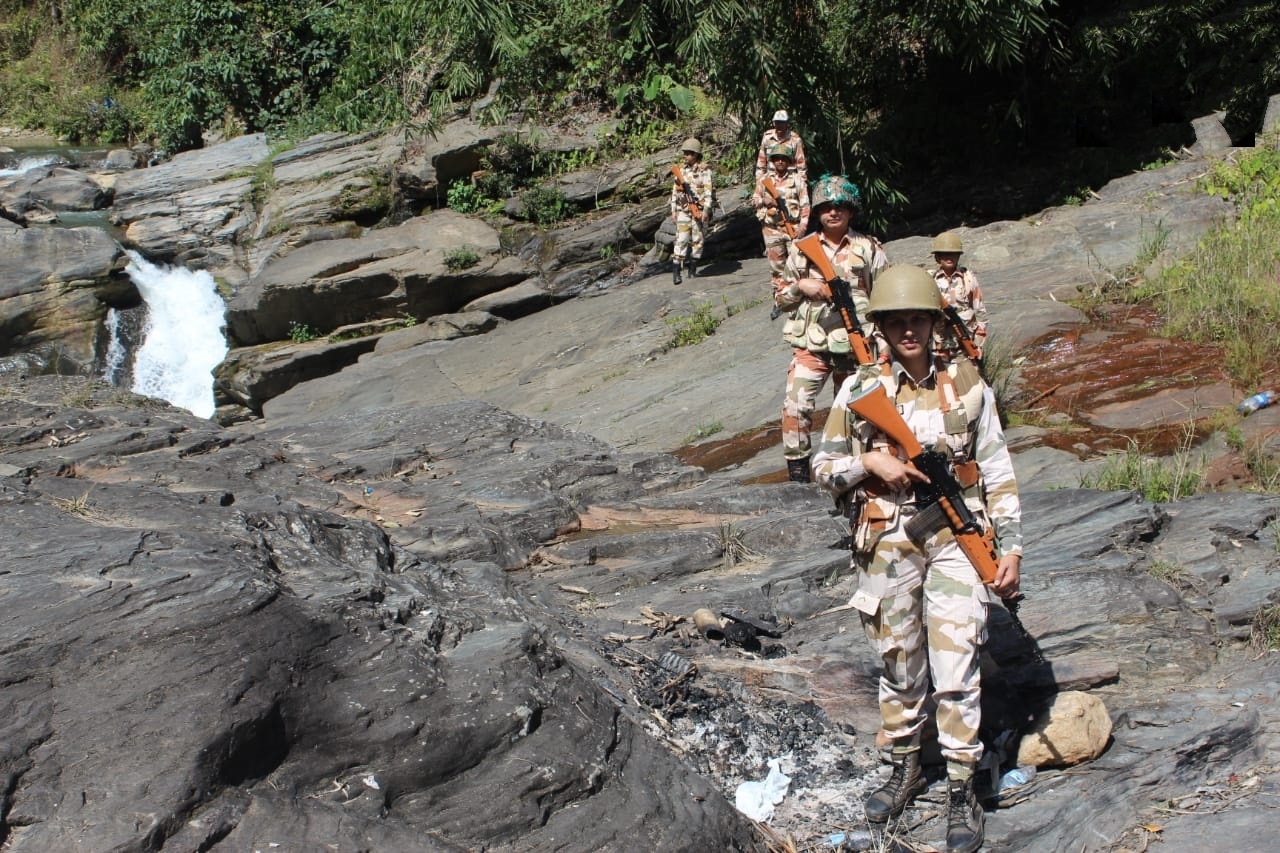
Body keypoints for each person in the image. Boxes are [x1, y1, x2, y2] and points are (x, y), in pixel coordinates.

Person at [811, 264, 1023, 853]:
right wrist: (867, 465)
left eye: (918, 320)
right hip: (887, 540)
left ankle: (961, 787)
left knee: (957, 667)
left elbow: (998, 472)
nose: (909, 330)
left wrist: (1011, 548)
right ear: (880, 327)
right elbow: (821, 469)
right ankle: (904, 765)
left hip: (957, 539)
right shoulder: (858, 392)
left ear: (934, 323)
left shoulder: (970, 385)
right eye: (897, 321)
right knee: (899, 663)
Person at [774, 174, 887, 482]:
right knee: (795, 406)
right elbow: (780, 298)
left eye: (840, 206)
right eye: (825, 207)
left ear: (850, 210)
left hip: (857, 343)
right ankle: (797, 476)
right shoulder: (802, 250)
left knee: (856, 410)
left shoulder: (868, 248)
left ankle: (850, 473)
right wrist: (800, 286)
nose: (833, 212)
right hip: (813, 342)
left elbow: (884, 296)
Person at [752, 143, 810, 284]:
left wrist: (803, 226)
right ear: (772, 160)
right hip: (772, 229)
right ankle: (779, 300)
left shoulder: (797, 180)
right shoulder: (764, 180)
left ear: (789, 161)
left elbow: (805, 204)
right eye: (777, 158)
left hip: (793, 228)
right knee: (777, 268)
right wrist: (765, 200)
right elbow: (753, 201)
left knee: (798, 265)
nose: (780, 161)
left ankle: (798, 297)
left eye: (783, 158)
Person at [930, 231, 988, 360]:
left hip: (965, 341)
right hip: (940, 345)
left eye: (953, 254)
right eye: (945, 254)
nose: (949, 257)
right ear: (937, 257)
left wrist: (978, 344)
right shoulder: (930, 280)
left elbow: (980, 311)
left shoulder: (968, 278)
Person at [669, 137, 715, 285]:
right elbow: (675, 191)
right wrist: (674, 210)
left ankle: (692, 268)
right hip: (683, 210)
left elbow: (708, 191)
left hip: (699, 211)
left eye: (689, 153)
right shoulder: (681, 171)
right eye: (685, 153)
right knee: (681, 240)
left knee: (698, 241)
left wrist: (707, 210)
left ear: (696, 154)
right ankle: (676, 271)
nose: (686, 156)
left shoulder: (704, 171)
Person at [754, 109, 807, 186]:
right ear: (774, 123)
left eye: (782, 123)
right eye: (777, 122)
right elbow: (761, 161)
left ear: (787, 123)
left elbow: (801, 164)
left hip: (790, 180)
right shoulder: (767, 138)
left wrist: (802, 184)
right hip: (770, 180)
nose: (779, 125)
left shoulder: (795, 140)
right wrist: (759, 182)